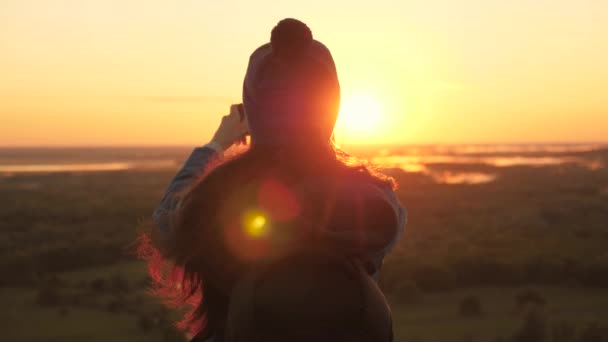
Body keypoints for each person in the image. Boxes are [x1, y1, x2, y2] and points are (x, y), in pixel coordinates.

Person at [137, 18, 406, 341]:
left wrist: (216, 144)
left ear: (253, 106)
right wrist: (315, 137)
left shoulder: (218, 201)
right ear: (331, 105)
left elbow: (165, 221)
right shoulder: (375, 203)